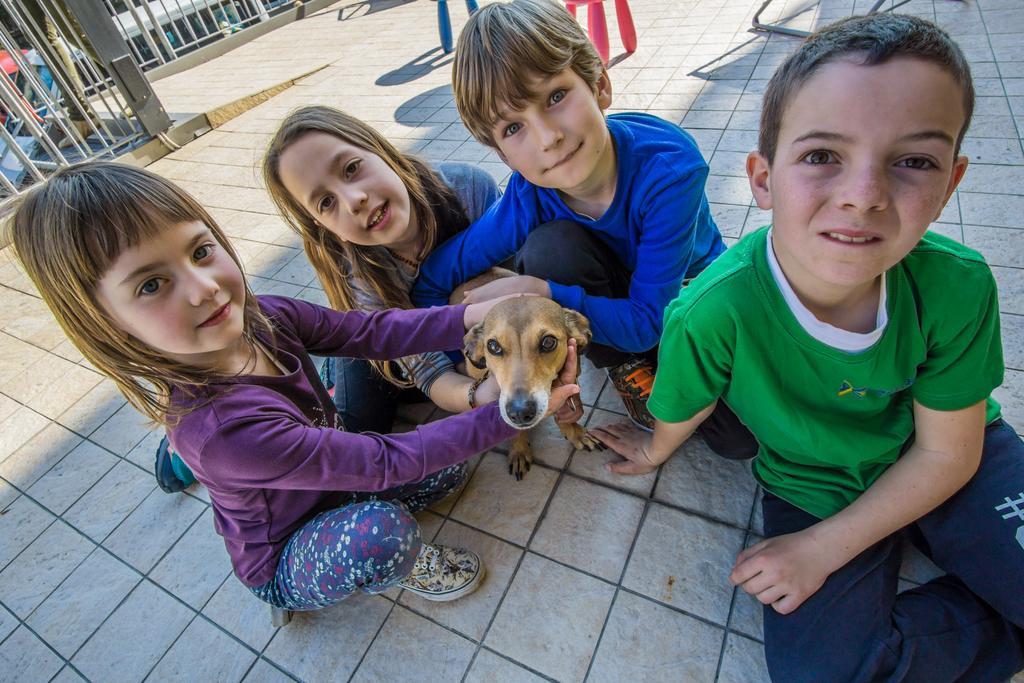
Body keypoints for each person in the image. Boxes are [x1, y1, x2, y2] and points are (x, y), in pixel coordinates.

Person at [593, 13, 1024, 681]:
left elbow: (948, 452)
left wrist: (823, 550)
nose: (864, 196)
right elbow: (685, 399)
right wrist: (654, 447)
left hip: (948, 461)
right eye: (823, 155)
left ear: (952, 183)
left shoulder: (957, 285)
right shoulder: (713, 309)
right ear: (762, 178)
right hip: (815, 481)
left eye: (913, 161)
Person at [8, 161, 580, 611]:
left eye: (201, 251)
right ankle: (387, 569)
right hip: (286, 547)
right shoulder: (224, 433)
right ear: (104, 321)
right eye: (153, 283)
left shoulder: (263, 316)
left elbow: (366, 330)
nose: (205, 289)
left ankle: (194, 461)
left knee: (451, 460)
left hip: (322, 471)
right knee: (383, 533)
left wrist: (472, 319)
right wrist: (509, 413)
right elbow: (383, 462)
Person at [409, 0, 748, 456]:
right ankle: (621, 362)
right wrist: (471, 370)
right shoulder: (528, 194)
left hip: (683, 295)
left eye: (554, 97)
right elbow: (434, 279)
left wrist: (545, 292)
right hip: (616, 298)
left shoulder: (669, 170)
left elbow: (649, 320)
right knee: (552, 248)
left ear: (600, 85)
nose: (548, 137)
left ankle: (633, 351)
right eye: (513, 128)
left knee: (737, 441)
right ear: (502, 156)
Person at [155, 105, 511, 492]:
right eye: (325, 203)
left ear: (381, 150)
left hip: (428, 336)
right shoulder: (358, 272)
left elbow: (510, 285)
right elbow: (426, 370)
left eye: (351, 168)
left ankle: (323, 376)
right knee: (352, 436)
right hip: (372, 343)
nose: (354, 198)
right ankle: (181, 455)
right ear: (324, 227)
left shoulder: (471, 189)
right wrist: (478, 397)